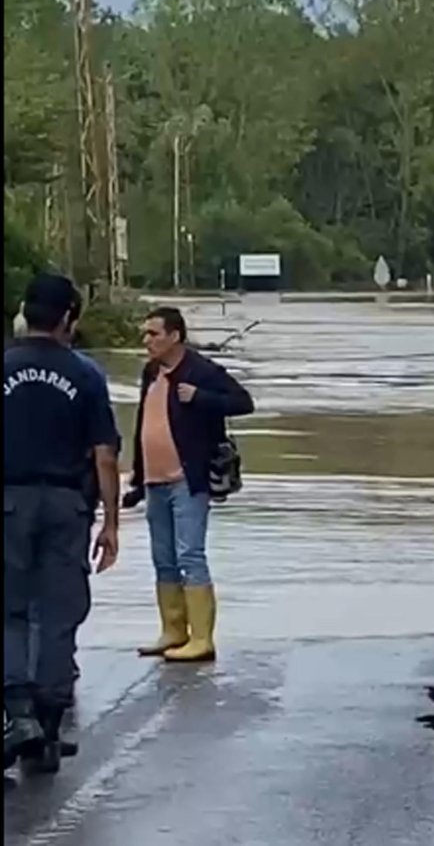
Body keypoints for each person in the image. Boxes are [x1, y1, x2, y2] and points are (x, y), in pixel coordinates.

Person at [4, 274, 120, 774]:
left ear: (24, 313)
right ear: (68, 318)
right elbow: (105, 455)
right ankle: (48, 726)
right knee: (57, 612)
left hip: (7, 503)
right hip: (67, 507)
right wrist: (111, 523)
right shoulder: (87, 375)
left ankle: (18, 713)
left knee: (8, 612)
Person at [127, 306, 254, 663]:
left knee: (190, 555)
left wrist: (201, 398)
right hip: (154, 480)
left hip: (189, 479)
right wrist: (137, 478)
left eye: (153, 334)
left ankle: (202, 639)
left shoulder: (202, 371)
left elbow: (243, 403)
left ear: (175, 336)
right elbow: (143, 423)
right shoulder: (150, 372)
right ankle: (173, 630)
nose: (146, 340)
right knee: (162, 558)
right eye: (146, 333)